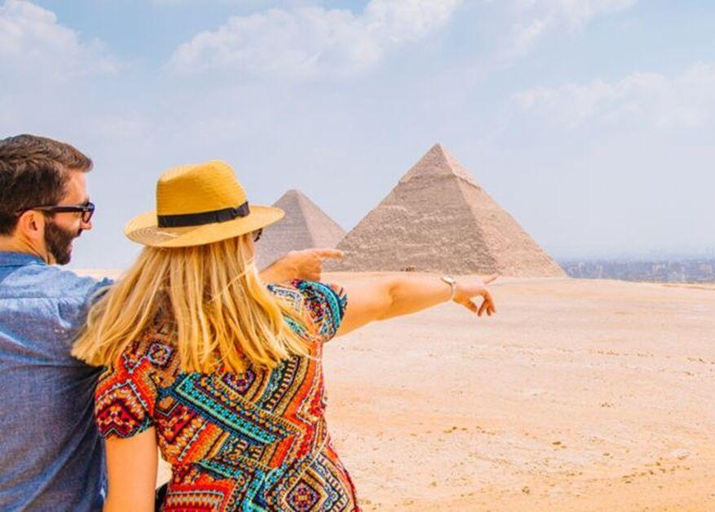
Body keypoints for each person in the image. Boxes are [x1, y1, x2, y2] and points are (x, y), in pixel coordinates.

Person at [72, 160, 496, 512]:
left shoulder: (134, 361)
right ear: (242, 241)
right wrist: (457, 287)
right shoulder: (299, 312)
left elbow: (129, 504)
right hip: (320, 500)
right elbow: (388, 294)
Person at [0, 134, 341, 511]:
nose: (88, 224)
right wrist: (276, 275)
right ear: (32, 223)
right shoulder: (80, 309)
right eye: (82, 210)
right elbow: (201, 307)